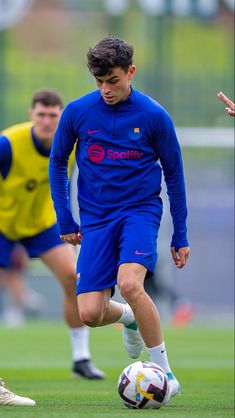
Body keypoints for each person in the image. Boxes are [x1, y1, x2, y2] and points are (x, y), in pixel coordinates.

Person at [49, 37, 190, 402]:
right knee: (90, 314)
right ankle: (129, 318)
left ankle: (166, 374)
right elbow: (57, 165)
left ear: (130, 72)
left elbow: (174, 175)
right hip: (95, 221)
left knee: (130, 282)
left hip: (140, 213)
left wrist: (180, 234)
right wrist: (65, 219)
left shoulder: (154, 116)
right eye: (99, 82)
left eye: (112, 80)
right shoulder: (78, 112)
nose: (105, 90)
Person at [0, 89, 105, 403]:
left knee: (74, 278)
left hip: (42, 224)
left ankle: (81, 358)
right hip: (2, 224)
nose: (47, 120)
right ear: (31, 114)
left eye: (53, 115)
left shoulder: (70, 147)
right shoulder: (8, 144)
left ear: (61, 117)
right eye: (41, 114)